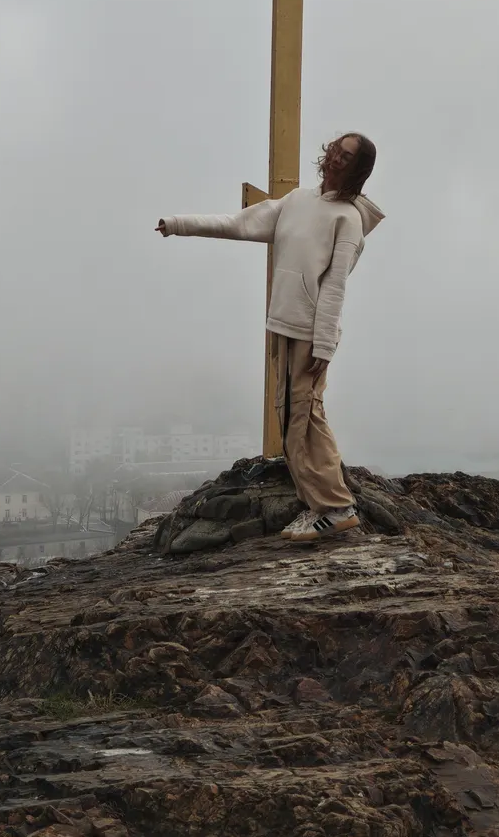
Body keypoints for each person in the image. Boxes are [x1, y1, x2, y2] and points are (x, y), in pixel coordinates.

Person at [156, 133, 383, 544]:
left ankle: (335, 508)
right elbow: (240, 224)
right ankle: (319, 504)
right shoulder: (297, 200)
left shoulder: (346, 220)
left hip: (311, 332)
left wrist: (325, 345)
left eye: (346, 155)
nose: (335, 156)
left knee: (305, 415)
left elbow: (334, 287)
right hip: (283, 323)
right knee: (290, 415)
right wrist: (179, 225)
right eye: (335, 148)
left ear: (357, 169)